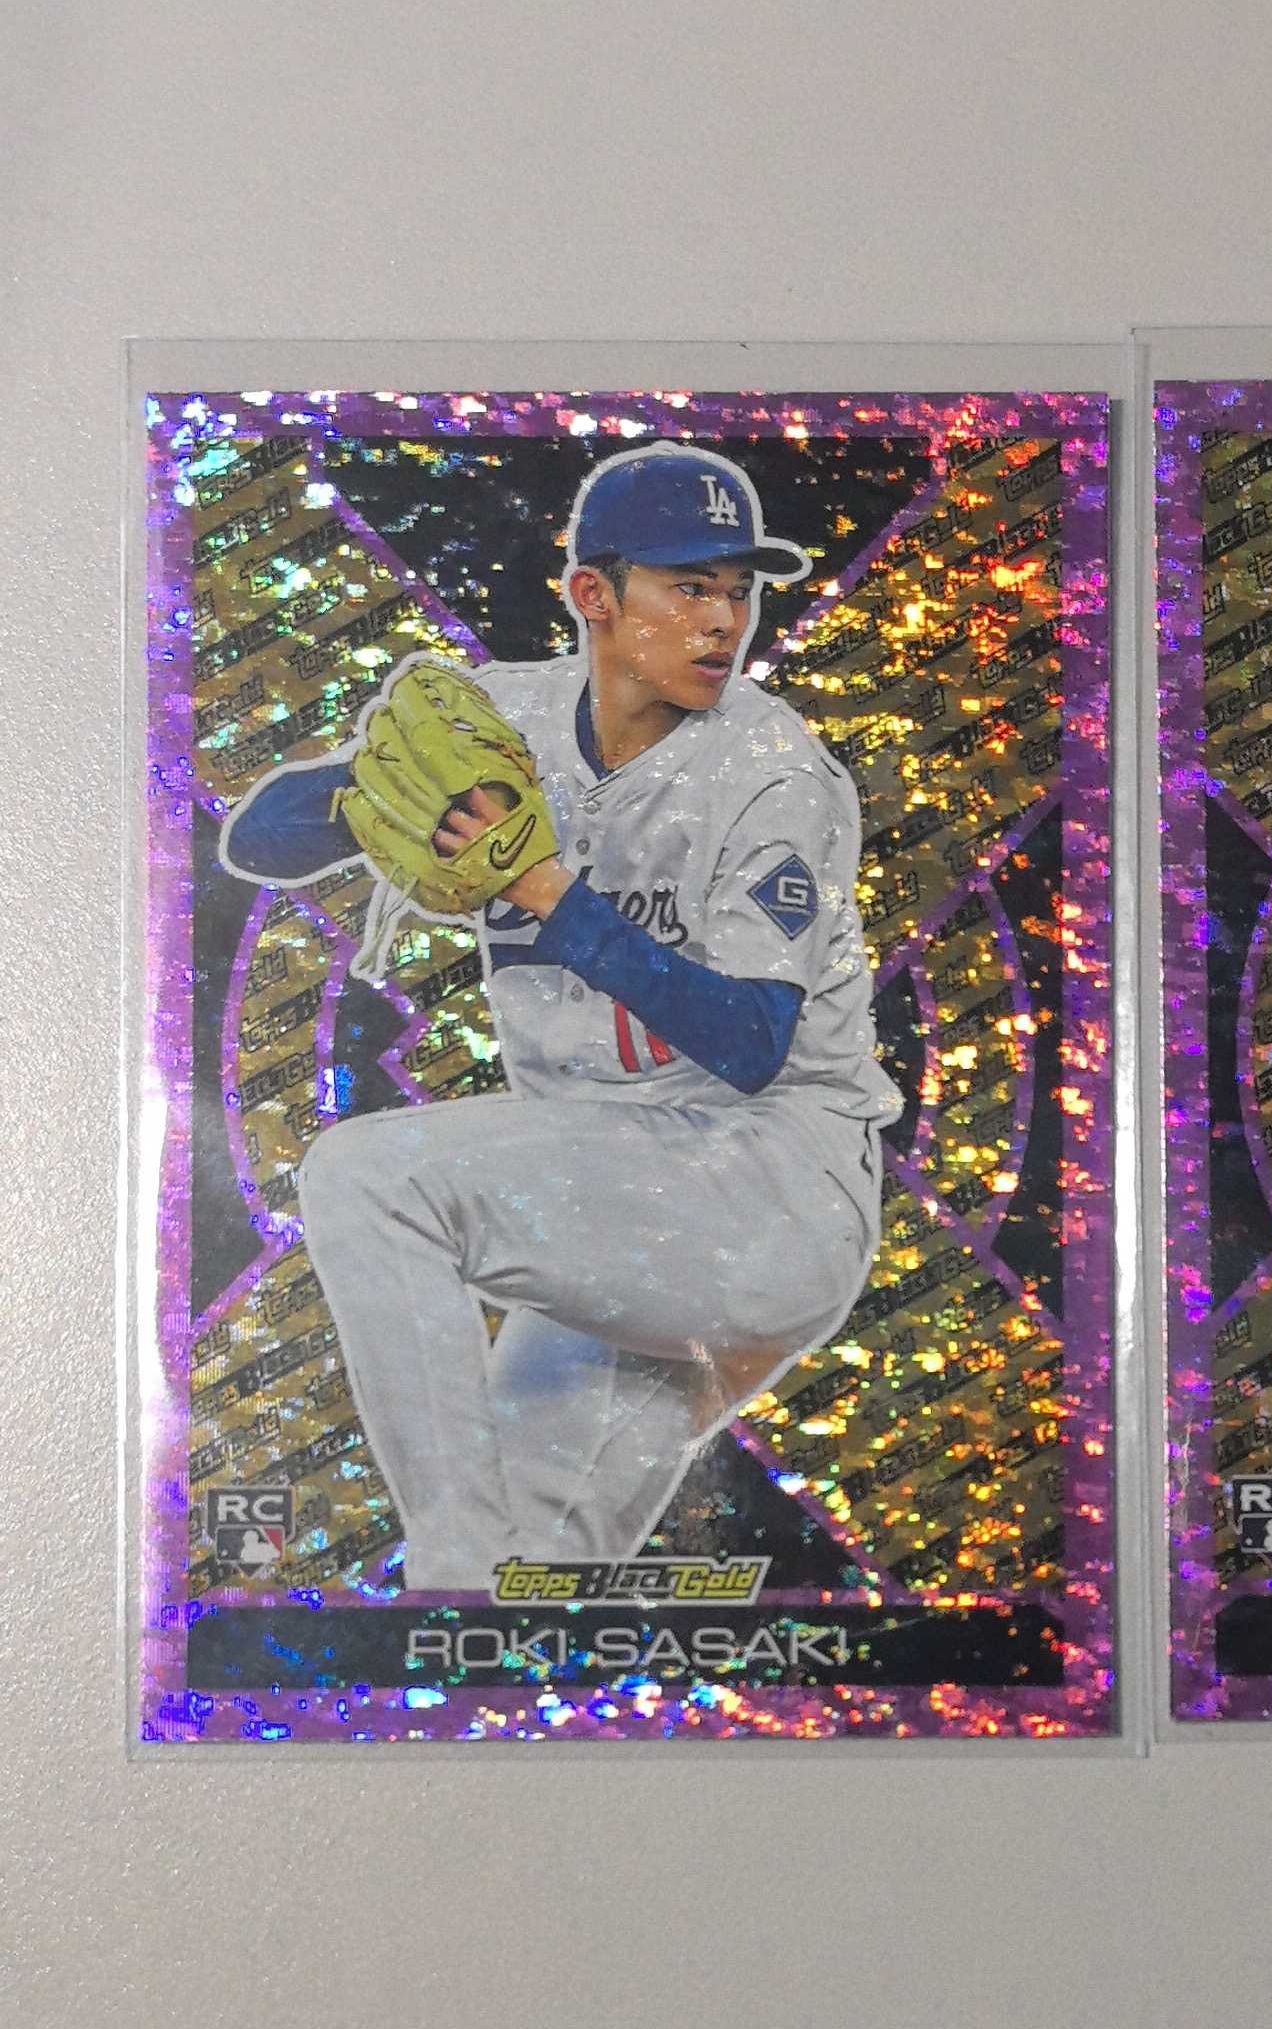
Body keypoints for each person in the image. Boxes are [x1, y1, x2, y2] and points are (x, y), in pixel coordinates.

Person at [221, 441, 900, 1592]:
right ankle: (469, 1586)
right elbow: (257, 841)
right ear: (595, 594)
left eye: (739, 589)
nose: (724, 619)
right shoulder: (510, 718)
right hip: (605, 1191)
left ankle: (454, 1552)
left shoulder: (772, 772)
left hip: (767, 1183)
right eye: (690, 585)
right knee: (519, 1573)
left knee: (368, 1175)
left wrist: (547, 891)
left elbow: (749, 1043)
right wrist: (364, 793)